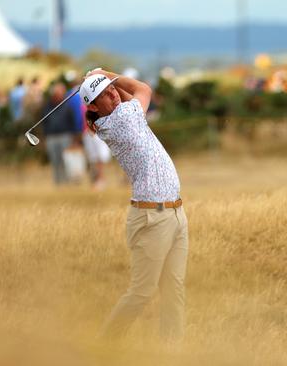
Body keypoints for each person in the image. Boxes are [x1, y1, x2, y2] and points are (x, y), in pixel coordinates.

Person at [82, 68, 188, 342]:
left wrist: (105, 81)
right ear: (93, 106)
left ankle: (172, 355)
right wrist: (104, 72)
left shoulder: (120, 114)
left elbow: (129, 97)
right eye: (104, 94)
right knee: (142, 292)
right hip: (152, 216)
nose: (113, 94)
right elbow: (143, 89)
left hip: (174, 213)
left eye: (112, 89)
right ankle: (104, 346)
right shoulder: (119, 122)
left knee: (174, 290)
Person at [42, 82, 77, 185]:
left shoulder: (67, 106)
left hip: (65, 136)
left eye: (59, 93)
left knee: (65, 161)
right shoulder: (47, 106)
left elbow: (72, 121)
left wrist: (74, 138)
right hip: (51, 137)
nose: (57, 95)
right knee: (55, 162)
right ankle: (58, 183)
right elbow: (44, 123)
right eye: (55, 93)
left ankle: (67, 183)